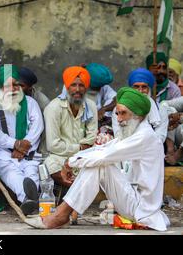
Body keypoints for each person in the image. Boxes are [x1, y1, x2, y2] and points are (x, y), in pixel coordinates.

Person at [26, 88, 170, 232]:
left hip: (141, 209)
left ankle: (61, 215)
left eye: (123, 113)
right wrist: (71, 160)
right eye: (117, 113)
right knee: (98, 163)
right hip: (133, 201)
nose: (119, 119)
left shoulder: (145, 137)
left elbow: (105, 155)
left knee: (100, 164)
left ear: (138, 115)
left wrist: (70, 162)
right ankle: (62, 214)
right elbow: (103, 150)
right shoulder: (136, 133)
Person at [0, 65, 44, 215]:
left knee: (31, 172)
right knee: (11, 173)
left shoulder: (30, 103)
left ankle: (30, 201)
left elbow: (37, 127)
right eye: (8, 86)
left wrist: (24, 147)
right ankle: (29, 199)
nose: (13, 89)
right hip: (3, 154)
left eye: (16, 84)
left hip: (28, 152)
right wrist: (15, 144)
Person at [43, 66, 97, 187]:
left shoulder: (91, 106)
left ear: (86, 88)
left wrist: (79, 153)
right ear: (67, 87)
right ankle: (74, 190)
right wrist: (79, 148)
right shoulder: (54, 108)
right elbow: (53, 145)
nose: (77, 89)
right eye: (73, 85)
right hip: (59, 156)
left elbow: (91, 138)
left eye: (81, 85)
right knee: (51, 164)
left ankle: (75, 191)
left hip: (84, 155)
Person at [112, 68, 168, 144]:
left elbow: (160, 138)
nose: (140, 91)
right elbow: (118, 136)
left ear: (149, 89)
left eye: (144, 87)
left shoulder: (161, 109)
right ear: (131, 88)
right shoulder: (119, 110)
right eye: (136, 87)